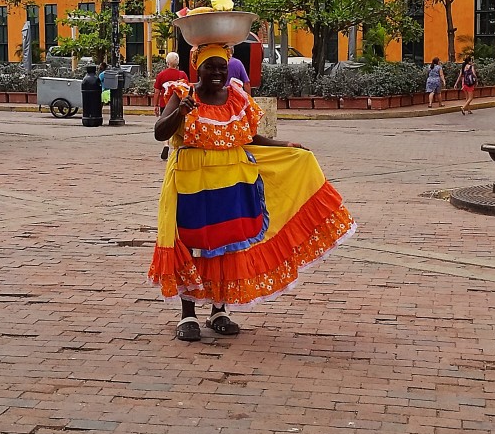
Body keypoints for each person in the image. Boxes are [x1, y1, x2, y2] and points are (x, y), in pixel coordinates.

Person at [149, 42, 355, 341]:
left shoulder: (236, 97)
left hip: (233, 180)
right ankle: (188, 314)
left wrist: (284, 146)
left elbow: (249, 136)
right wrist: (181, 111)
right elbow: (160, 132)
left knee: (227, 243)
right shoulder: (182, 93)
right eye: (210, 67)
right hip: (191, 182)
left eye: (222, 67)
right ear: (198, 67)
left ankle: (219, 310)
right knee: (192, 243)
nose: (217, 73)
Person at [153, 52, 188, 161]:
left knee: (165, 123)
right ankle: (174, 146)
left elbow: (157, 91)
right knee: (176, 125)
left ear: (167, 62)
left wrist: (155, 105)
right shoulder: (182, 75)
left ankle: (166, 144)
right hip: (178, 104)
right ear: (177, 63)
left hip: (165, 103)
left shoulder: (161, 75)